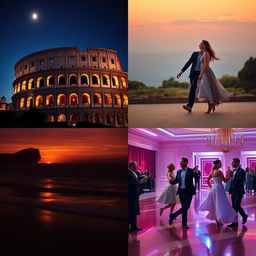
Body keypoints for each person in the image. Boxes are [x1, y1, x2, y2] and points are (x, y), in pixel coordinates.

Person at [196, 40, 234, 113]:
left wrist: (201, 74)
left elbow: (206, 65)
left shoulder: (206, 54)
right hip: (204, 73)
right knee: (206, 90)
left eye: (200, 44)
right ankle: (211, 106)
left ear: (204, 46)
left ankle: (211, 106)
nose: (199, 45)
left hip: (206, 74)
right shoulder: (203, 53)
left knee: (207, 90)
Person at [198, 160, 237, 225]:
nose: (221, 165)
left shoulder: (212, 172)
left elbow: (207, 181)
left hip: (214, 188)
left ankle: (217, 219)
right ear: (217, 164)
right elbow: (224, 181)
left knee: (216, 203)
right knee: (221, 203)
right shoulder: (219, 172)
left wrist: (211, 187)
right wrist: (229, 176)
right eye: (220, 164)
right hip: (219, 188)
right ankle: (220, 218)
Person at [169, 158, 198, 229]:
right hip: (181, 192)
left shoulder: (191, 171)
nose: (180, 163)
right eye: (180, 162)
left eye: (181, 162)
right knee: (184, 208)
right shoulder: (178, 172)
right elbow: (176, 181)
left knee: (186, 207)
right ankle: (184, 223)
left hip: (188, 192)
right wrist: (171, 181)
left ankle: (173, 215)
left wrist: (195, 172)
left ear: (186, 162)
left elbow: (196, 179)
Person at [228, 158, 248, 227]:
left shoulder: (242, 171)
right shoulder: (233, 171)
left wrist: (232, 178)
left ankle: (244, 216)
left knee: (236, 205)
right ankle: (235, 222)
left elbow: (241, 180)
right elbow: (232, 181)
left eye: (233, 162)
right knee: (234, 206)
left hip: (239, 191)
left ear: (237, 163)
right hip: (233, 190)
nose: (232, 164)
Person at [128, 161, 147, 232]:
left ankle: (134, 227)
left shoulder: (133, 172)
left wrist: (141, 182)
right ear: (132, 166)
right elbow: (132, 185)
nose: (137, 167)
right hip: (131, 196)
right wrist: (140, 182)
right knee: (131, 212)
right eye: (136, 165)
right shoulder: (129, 173)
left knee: (134, 212)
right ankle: (131, 227)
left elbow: (136, 182)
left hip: (135, 195)